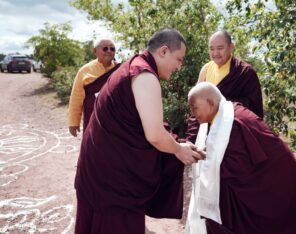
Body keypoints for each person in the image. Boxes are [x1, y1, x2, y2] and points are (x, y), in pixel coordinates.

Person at [74, 28, 205, 234]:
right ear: (163, 51)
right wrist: (179, 150)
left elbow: (141, 124)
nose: (179, 67)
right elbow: (154, 135)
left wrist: (175, 142)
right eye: (179, 59)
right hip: (111, 180)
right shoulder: (144, 76)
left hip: (99, 167)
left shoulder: (133, 65)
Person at [186, 82, 296, 234]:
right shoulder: (224, 115)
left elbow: (239, 166)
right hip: (270, 179)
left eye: (195, 107)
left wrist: (205, 157)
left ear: (211, 103)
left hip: (277, 184)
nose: (193, 113)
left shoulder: (234, 122)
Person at [185, 30, 263, 143]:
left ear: (231, 47)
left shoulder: (245, 72)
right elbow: (196, 104)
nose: (215, 53)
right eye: (211, 49)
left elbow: (253, 108)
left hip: (231, 134)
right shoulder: (206, 69)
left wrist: (219, 105)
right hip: (207, 131)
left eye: (220, 48)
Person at [67, 38, 120, 137]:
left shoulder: (120, 70)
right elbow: (76, 97)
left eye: (112, 49)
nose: (109, 51)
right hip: (93, 118)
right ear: (95, 51)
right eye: (105, 48)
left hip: (116, 120)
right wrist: (73, 122)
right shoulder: (85, 71)